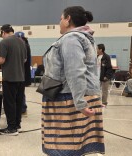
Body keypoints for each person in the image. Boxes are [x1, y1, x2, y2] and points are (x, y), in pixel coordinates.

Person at [41, 6, 105, 155]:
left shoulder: (71, 38)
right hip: (79, 95)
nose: (59, 22)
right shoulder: (85, 38)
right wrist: (93, 97)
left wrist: (80, 103)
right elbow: (91, 71)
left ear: (68, 19)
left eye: (61, 18)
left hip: (68, 98)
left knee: (64, 147)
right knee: (77, 145)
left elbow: (75, 71)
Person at [0, 24, 26, 135]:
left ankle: (11, 128)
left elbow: (1, 60)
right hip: (21, 77)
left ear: (3, 32)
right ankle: (17, 124)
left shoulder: (4, 42)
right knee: (18, 102)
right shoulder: (21, 41)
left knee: (9, 103)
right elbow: (24, 60)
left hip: (10, 77)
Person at [15, 31, 31, 115]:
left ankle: (22, 108)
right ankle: (22, 107)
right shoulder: (26, 45)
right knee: (20, 91)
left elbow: (23, 60)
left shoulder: (22, 46)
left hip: (21, 73)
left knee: (20, 92)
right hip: (23, 73)